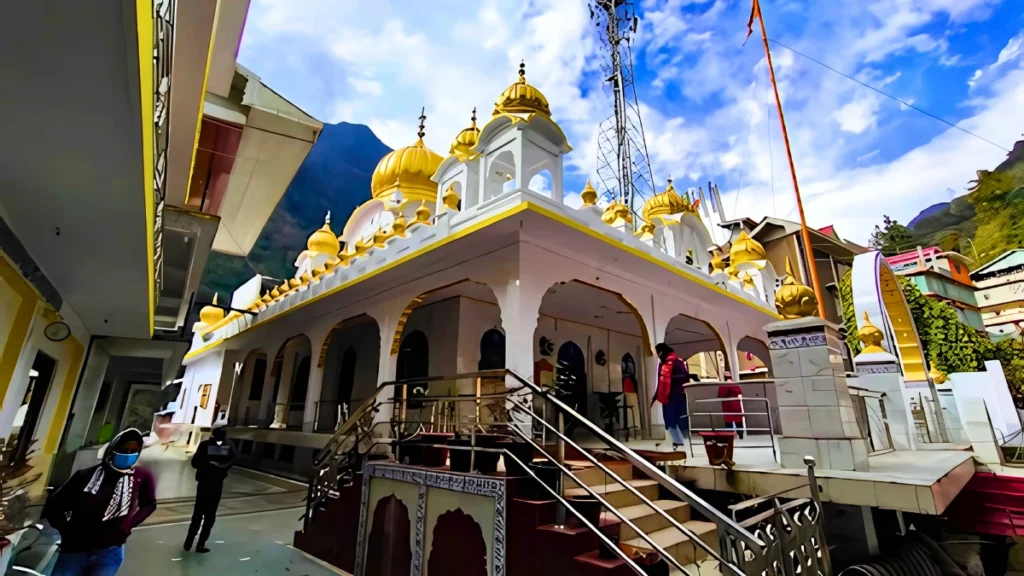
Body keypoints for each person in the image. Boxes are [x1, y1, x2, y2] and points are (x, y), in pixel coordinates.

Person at [44, 428, 156, 576]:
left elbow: (149, 504)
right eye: (124, 449)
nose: (129, 454)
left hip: (110, 551)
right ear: (113, 449)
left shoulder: (141, 477)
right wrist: (67, 531)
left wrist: (128, 526)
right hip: (75, 548)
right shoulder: (85, 476)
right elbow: (54, 507)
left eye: (134, 450)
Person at [184, 426, 237, 553]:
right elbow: (232, 460)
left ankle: (189, 541)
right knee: (209, 516)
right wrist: (219, 467)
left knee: (198, 513)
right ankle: (200, 544)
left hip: (204, 483)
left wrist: (206, 465)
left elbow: (194, 463)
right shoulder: (228, 445)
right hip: (216, 484)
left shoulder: (204, 445)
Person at [652, 343, 690, 449]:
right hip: (667, 395)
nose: (658, 355)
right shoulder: (663, 364)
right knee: (669, 418)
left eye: (659, 352)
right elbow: (660, 381)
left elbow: (685, 377)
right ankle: (676, 441)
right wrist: (656, 395)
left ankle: (680, 441)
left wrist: (672, 378)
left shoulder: (677, 362)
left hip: (677, 394)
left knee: (678, 418)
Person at [717, 372, 745, 439]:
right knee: (732, 421)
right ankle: (733, 435)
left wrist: (728, 385)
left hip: (732, 406)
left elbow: (738, 391)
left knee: (736, 421)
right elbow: (721, 394)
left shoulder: (725, 385)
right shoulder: (731, 385)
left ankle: (739, 434)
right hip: (731, 406)